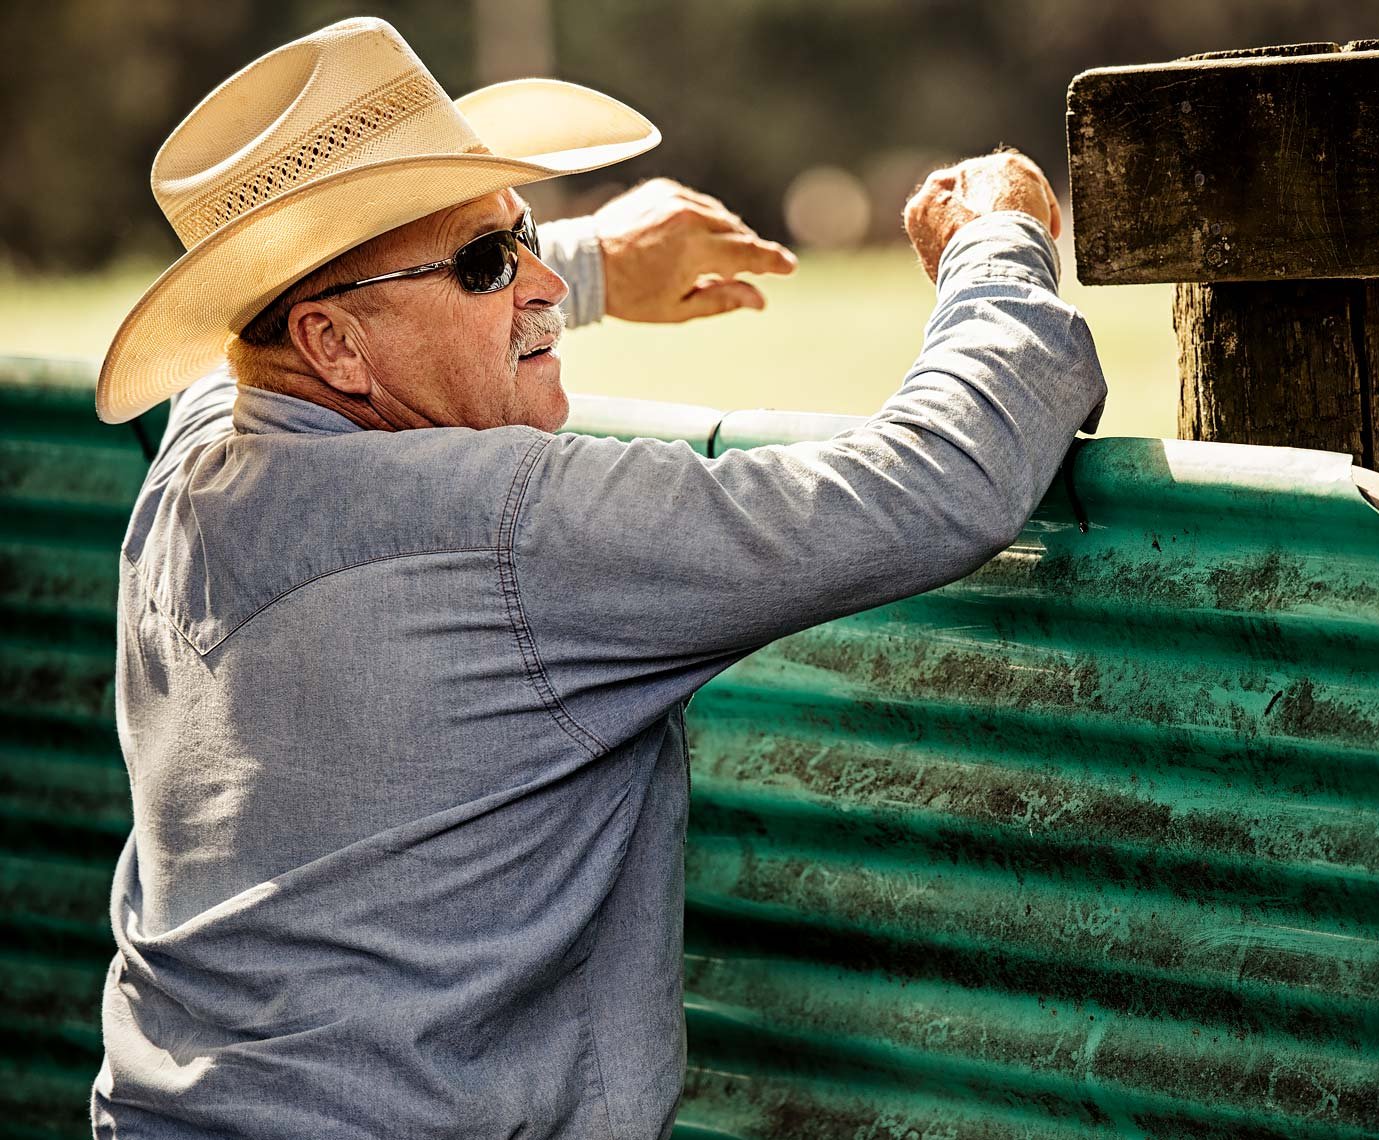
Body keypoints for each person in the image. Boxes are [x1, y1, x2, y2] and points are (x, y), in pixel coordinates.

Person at [93, 16, 1105, 1139]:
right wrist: (998, 242)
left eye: (521, 234)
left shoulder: (200, 460)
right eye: (487, 264)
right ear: (332, 346)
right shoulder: (507, 526)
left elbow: (248, 363)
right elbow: (935, 485)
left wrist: (595, 263)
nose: (536, 282)